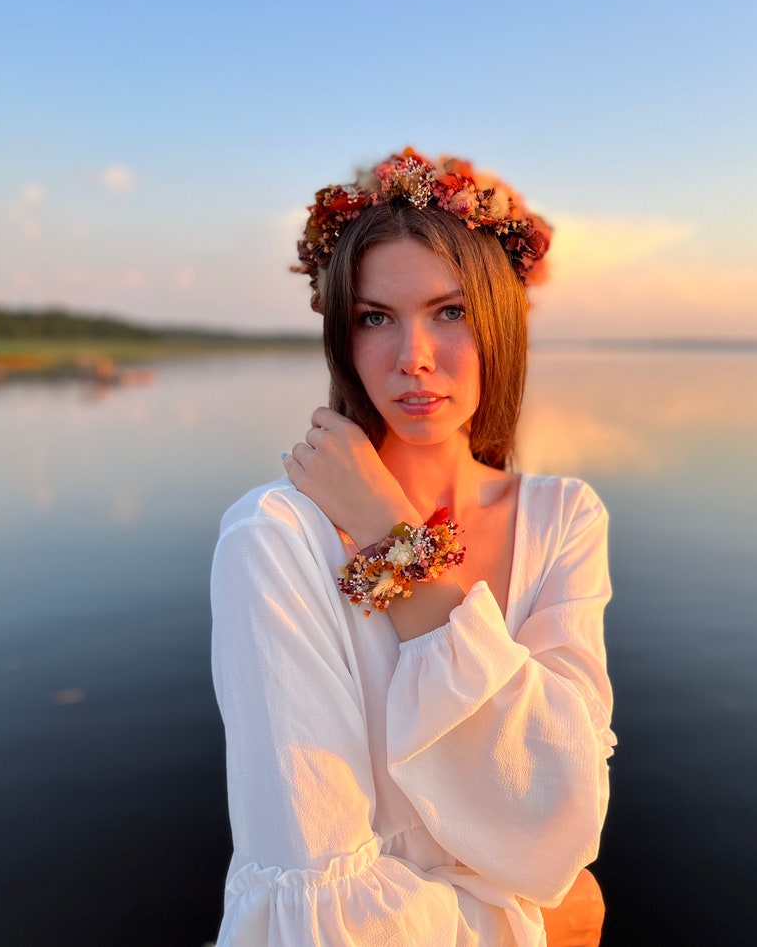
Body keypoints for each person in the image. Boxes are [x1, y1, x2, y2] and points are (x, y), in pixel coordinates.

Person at [211, 148, 616, 946]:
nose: (413, 358)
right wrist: (534, 923)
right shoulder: (275, 540)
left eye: (451, 311)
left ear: (499, 321)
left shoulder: (563, 518)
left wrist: (392, 541)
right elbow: (315, 916)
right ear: (343, 338)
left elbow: (561, 809)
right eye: (375, 318)